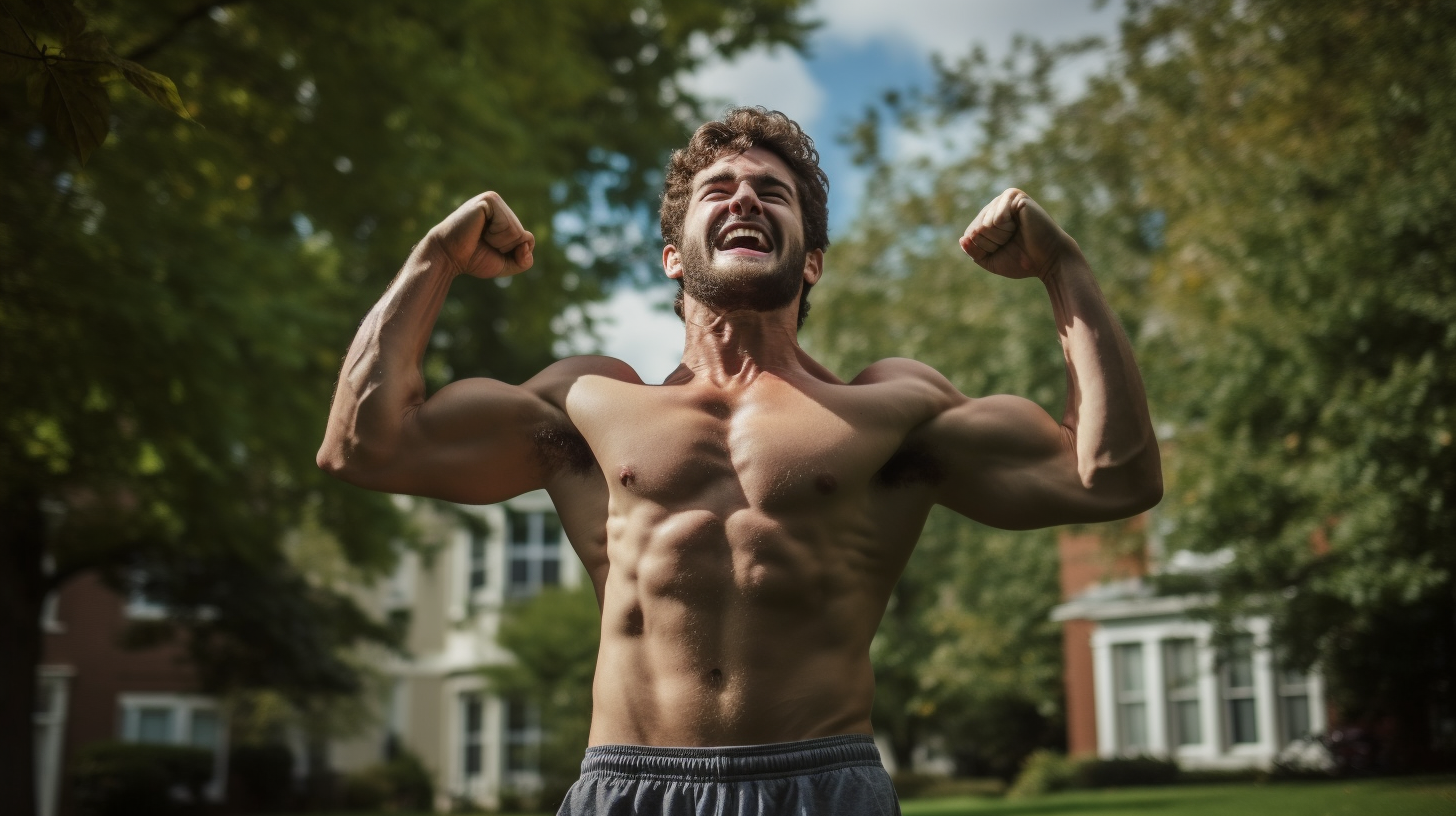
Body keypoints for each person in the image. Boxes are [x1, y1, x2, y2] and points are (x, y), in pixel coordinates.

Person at [318, 107, 1162, 815]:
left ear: (813, 260)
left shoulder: (893, 409)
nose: (745, 199)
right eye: (719, 190)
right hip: (631, 786)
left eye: (773, 192)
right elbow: (363, 445)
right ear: (675, 259)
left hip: (822, 784)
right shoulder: (588, 404)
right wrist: (434, 259)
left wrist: (1065, 269)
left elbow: (1112, 477)